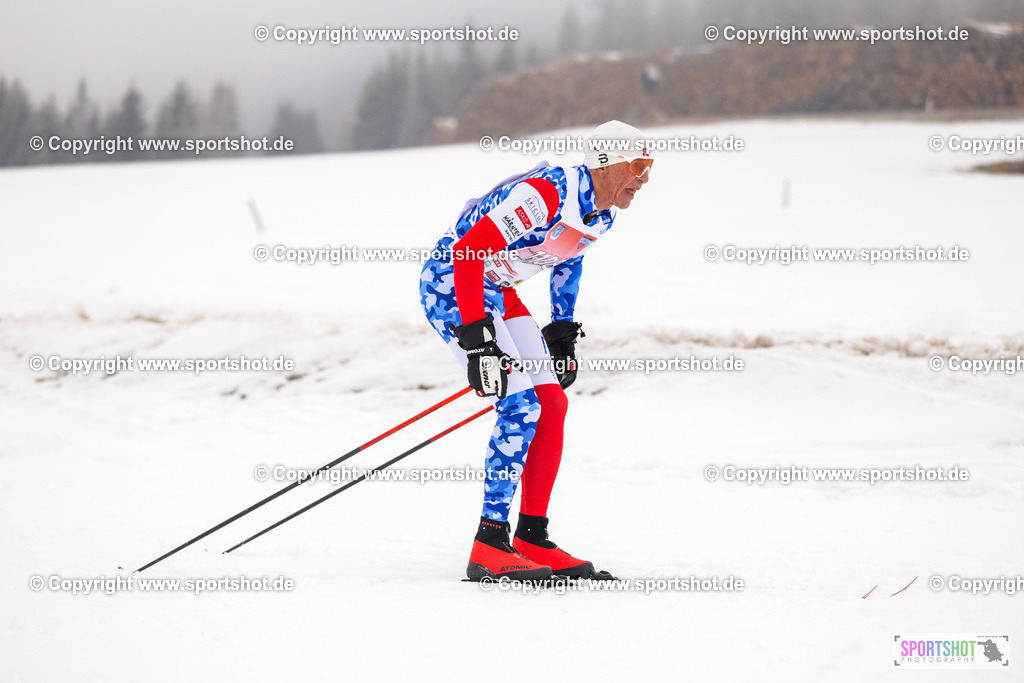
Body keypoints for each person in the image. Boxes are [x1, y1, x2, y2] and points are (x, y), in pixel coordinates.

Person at [419, 120, 653, 581]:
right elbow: (468, 253)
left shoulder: (602, 211)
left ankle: (530, 536)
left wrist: (562, 328)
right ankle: (489, 544)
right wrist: (478, 341)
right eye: (638, 165)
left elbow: (570, 260)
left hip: (498, 289)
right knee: (521, 406)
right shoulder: (544, 195)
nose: (644, 179)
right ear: (604, 164)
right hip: (453, 283)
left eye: (651, 168)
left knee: (552, 402)